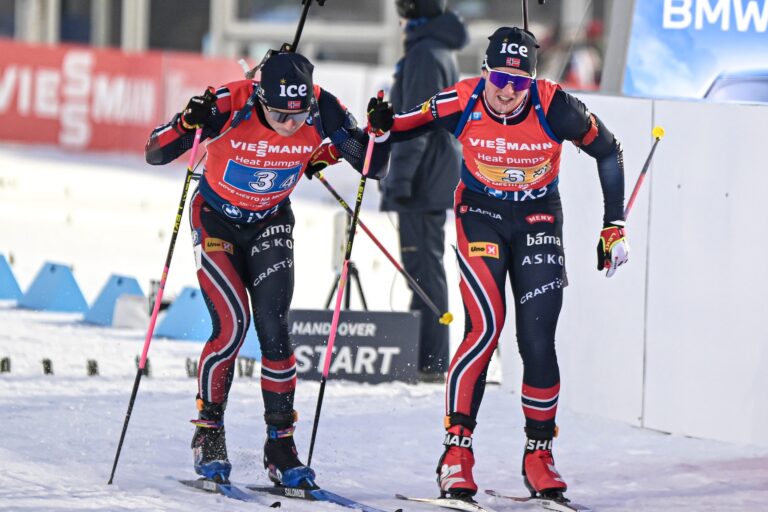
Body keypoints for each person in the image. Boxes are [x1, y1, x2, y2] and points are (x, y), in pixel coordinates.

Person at [367, 27, 628, 501]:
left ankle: (539, 453)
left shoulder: (554, 105)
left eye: (519, 82)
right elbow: (400, 126)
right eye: (500, 80)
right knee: (485, 327)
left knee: (536, 338)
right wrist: (382, 125)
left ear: (532, 80)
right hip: (481, 216)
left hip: (538, 218)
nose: (508, 92)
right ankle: (456, 453)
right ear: (484, 72)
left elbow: (609, 151)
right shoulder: (461, 99)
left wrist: (615, 226)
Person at [145, 51, 389, 487]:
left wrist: (379, 134)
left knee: (275, 327)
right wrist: (187, 123)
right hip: (216, 218)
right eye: (278, 114)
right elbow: (155, 152)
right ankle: (209, 432)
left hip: (270, 220)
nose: (290, 125)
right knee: (233, 326)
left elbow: (372, 165)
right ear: (260, 96)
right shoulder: (231, 103)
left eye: (299, 116)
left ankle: (280, 445)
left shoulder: (323, 106)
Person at [381, 0, 468, 382]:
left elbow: (415, 122)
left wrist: (399, 180)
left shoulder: (423, 55)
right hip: (432, 174)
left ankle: (431, 360)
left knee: (423, 268)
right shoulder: (435, 50)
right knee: (423, 267)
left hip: (422, 179)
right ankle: (427, 356)